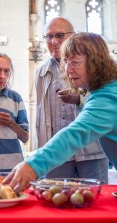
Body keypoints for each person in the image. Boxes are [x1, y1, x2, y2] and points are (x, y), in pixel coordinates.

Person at [4, 32, 117, 192]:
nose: (68, 70)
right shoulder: (116, 87)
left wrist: (33, 165)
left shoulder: (111, 95)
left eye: (75, 62)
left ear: (96, 63)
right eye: (66, 62)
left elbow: (75, 134)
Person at [35, 17, 108, 182]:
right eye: (49, 36)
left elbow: (105, 101)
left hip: (91, 150)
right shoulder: (40, 72)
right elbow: (40, 114)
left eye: (60, 35)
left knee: (95, 201)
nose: (54, 41)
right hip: (57, 153)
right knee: (56, 200)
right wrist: (41, 149)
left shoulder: (92, 65)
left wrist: (79, 98)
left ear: (73, 36)